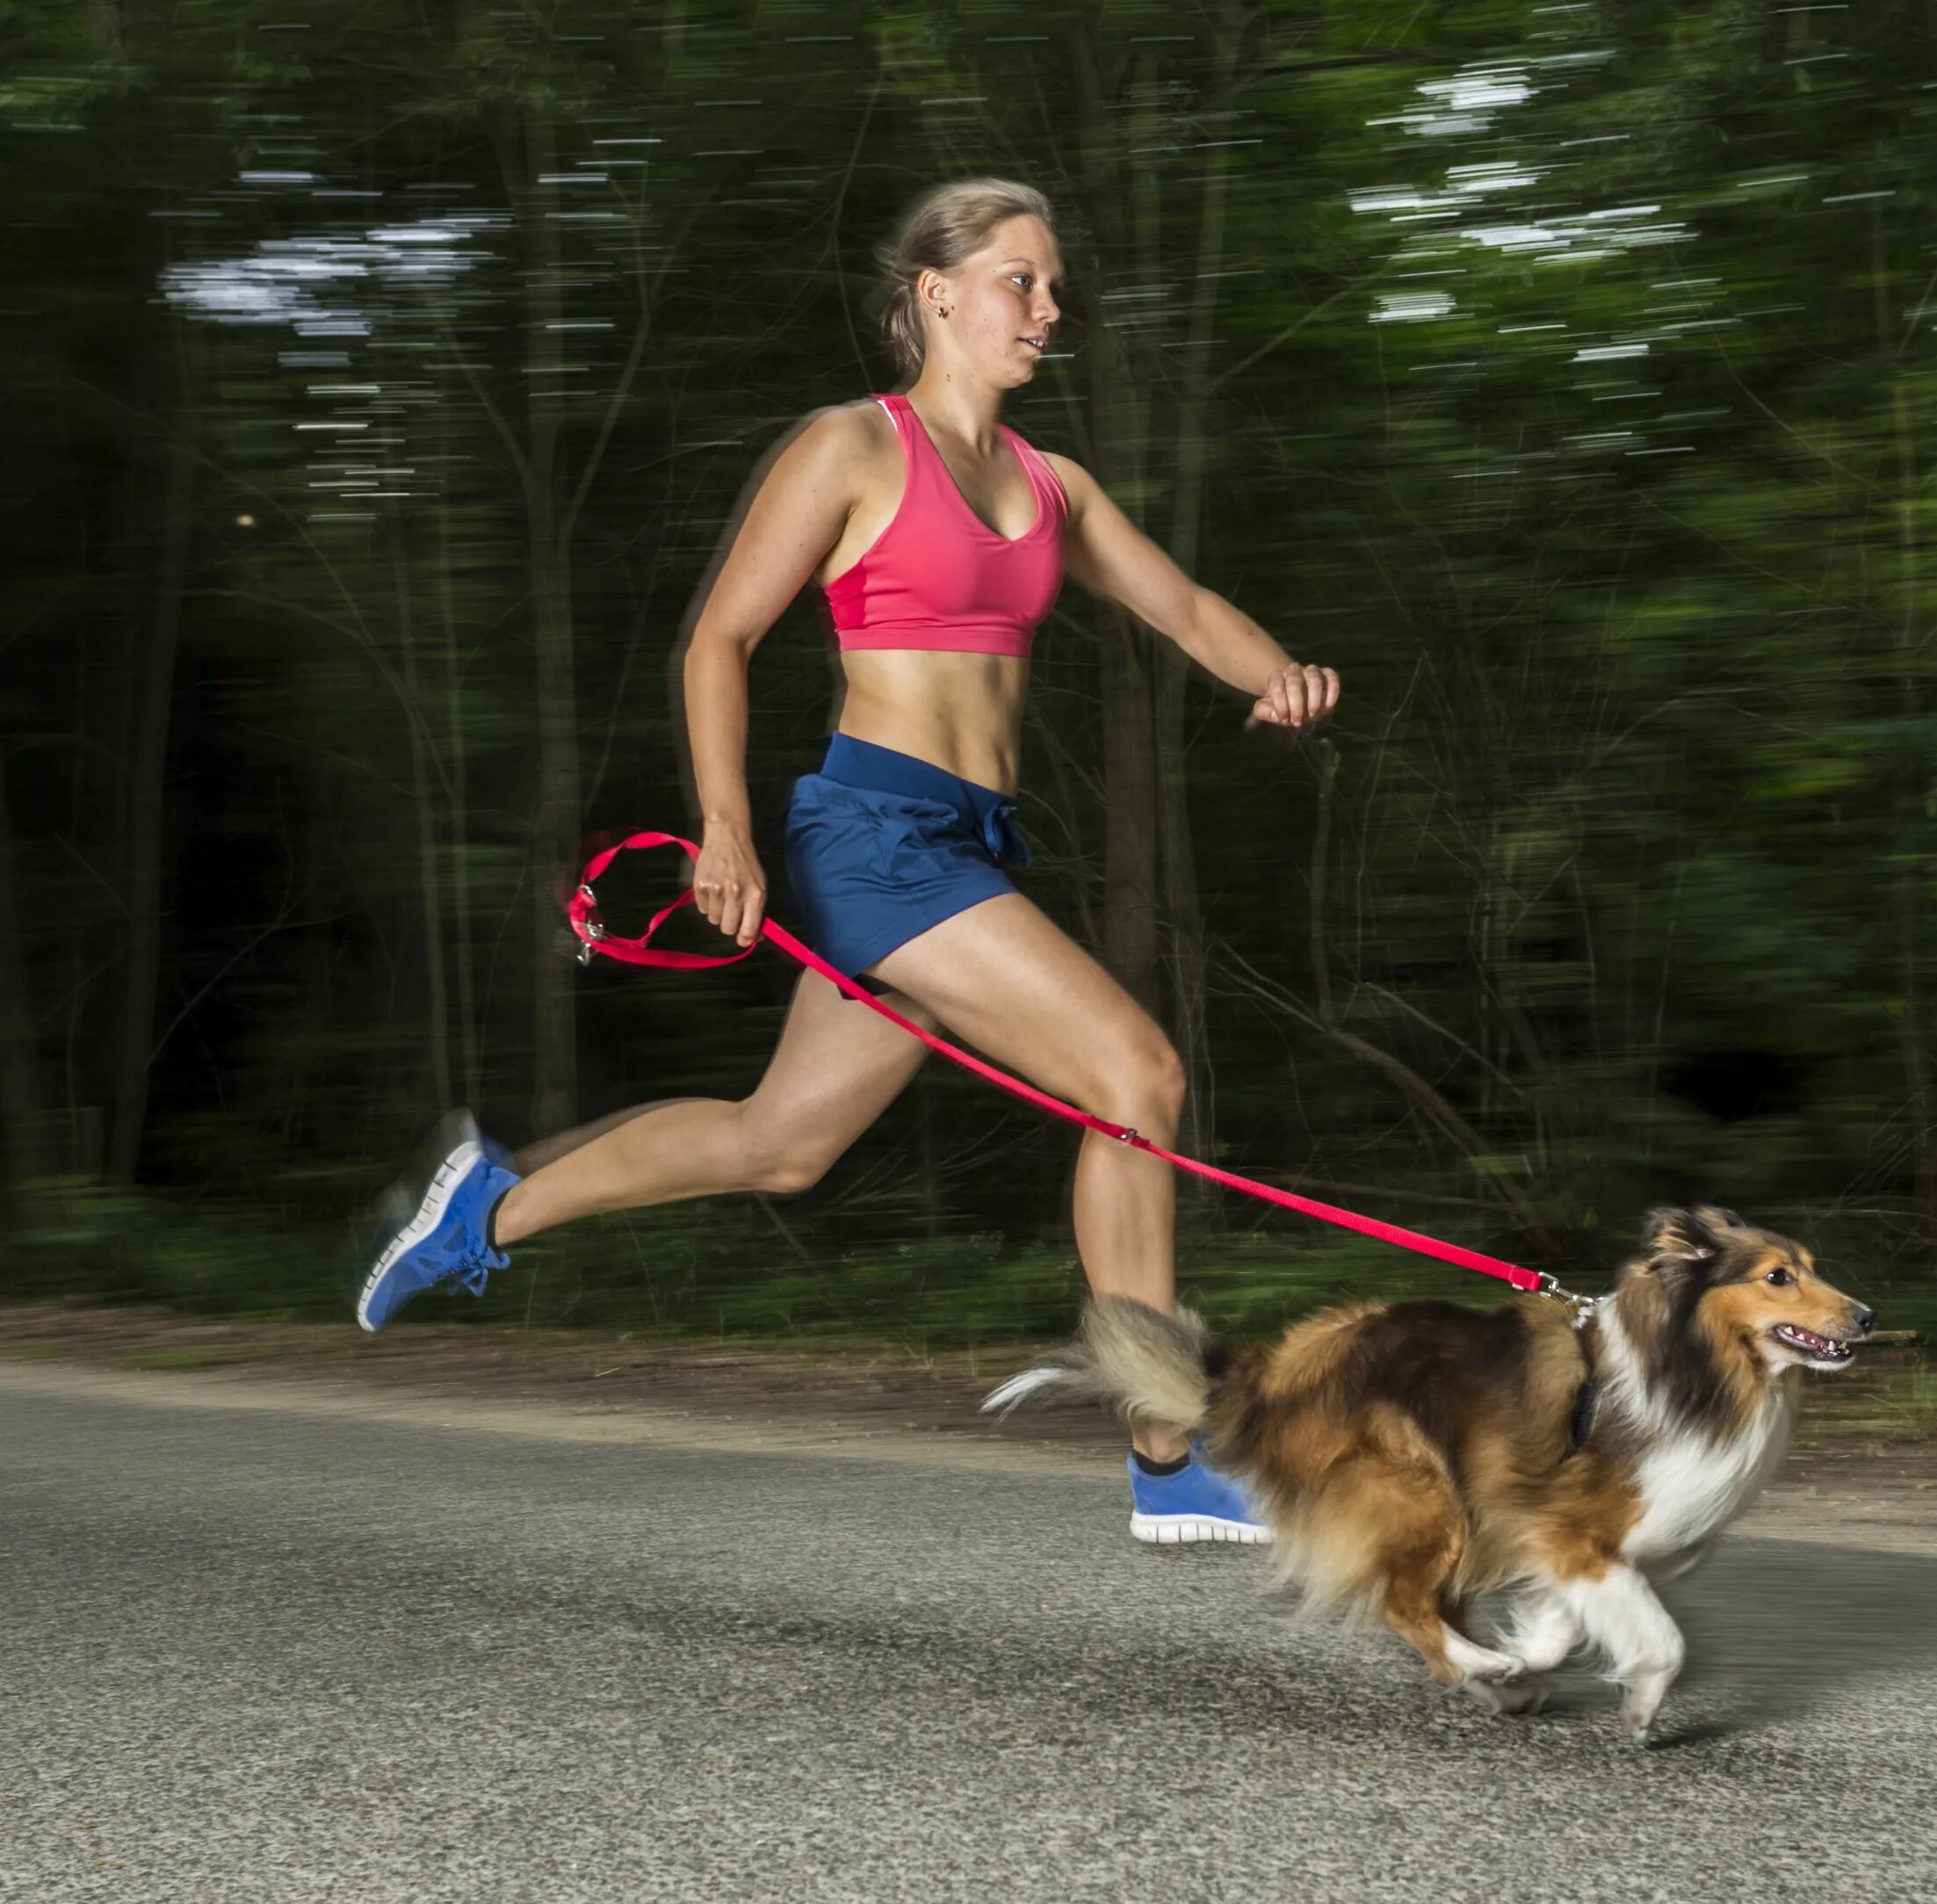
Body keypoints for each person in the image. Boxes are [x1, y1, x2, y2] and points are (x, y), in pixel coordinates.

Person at [353, 178, 1338, 1546]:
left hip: (968, 842)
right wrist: (727, 824)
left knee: (782, 1146)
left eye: (1052, 288)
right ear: (936, 294)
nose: (1048, 311)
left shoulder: (1055, 485)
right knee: (1135, 1077)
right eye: (1020, 282)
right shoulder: (852, 449)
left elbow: (1181, 606)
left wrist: (1279, 671)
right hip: (873, 834)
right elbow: (718, 638)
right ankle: (1170, 1443)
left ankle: (486, 1213)